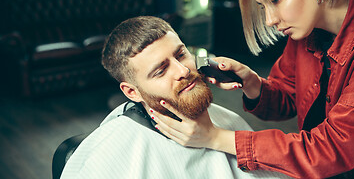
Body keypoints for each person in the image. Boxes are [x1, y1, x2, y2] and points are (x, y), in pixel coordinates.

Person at [149, 0, 354, 178]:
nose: (270, 20)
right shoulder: (305, 31)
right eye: (263, 7)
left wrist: (215, 137)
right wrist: (252, 83)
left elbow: (335, 149)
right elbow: (289, 98)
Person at [60, 16, 290, 179]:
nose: (183, 70)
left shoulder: (226, 121)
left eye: (181, 54)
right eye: (160, 71)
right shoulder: (111, 154)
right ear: (132, 92)